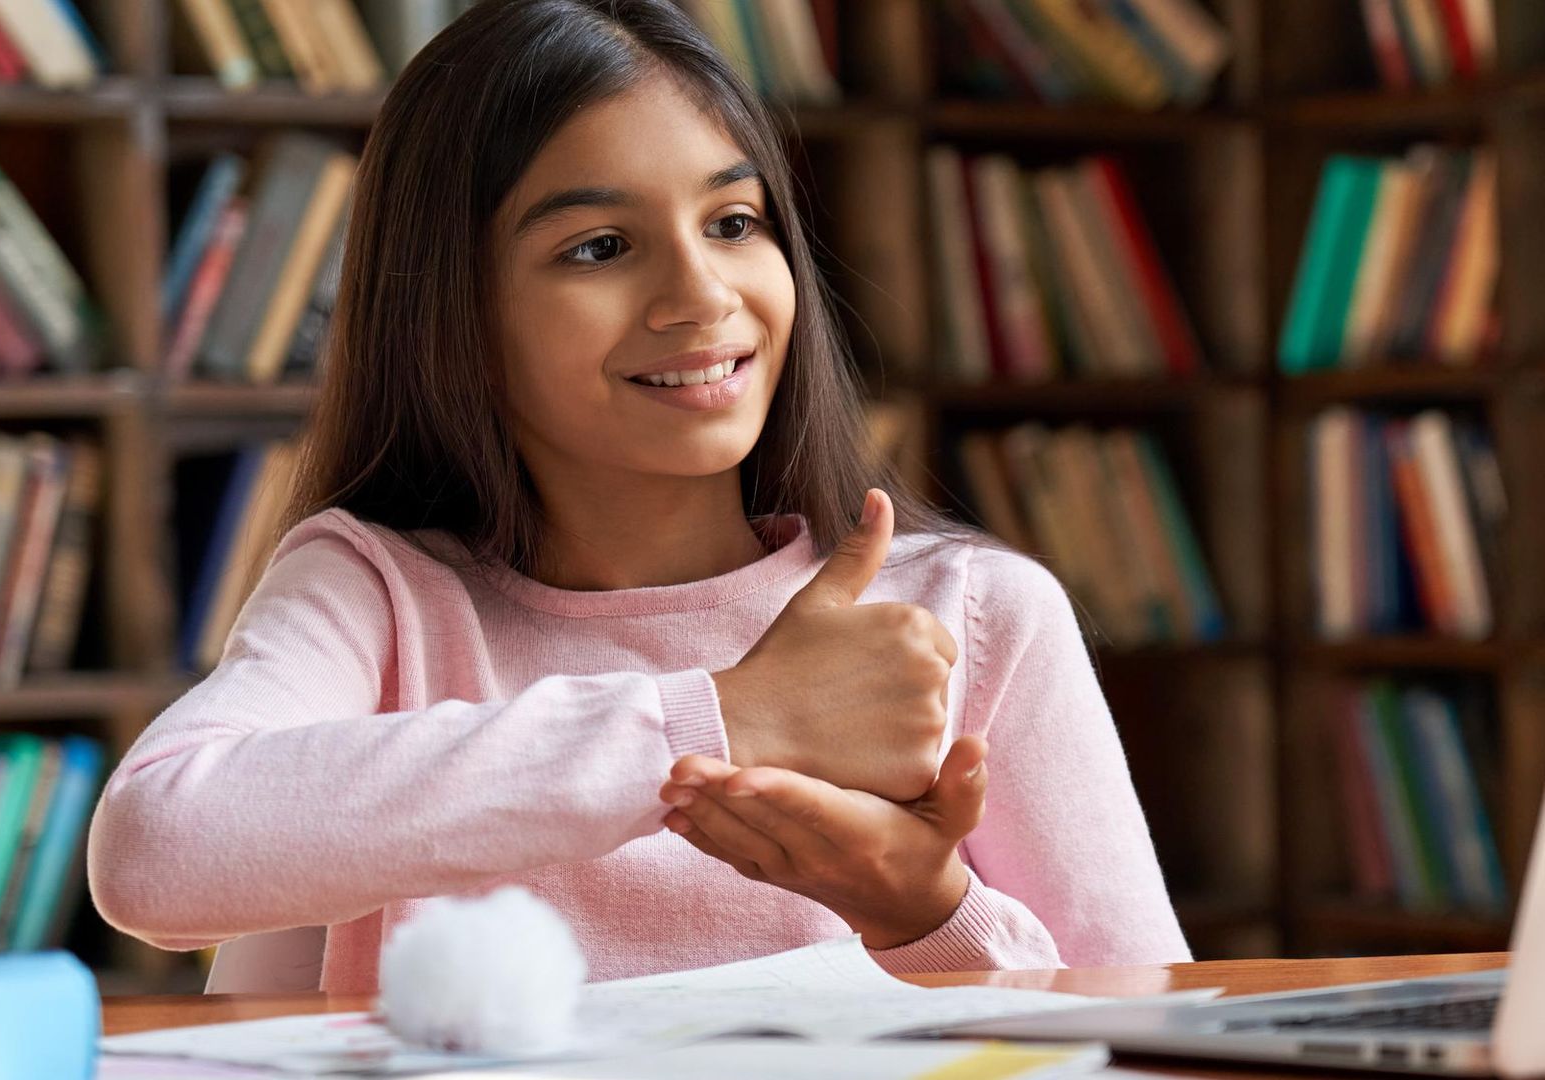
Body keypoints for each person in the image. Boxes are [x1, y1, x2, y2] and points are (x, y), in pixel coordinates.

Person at [88, 0, 1189, 994]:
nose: (701, 295)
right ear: (452, 315)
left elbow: (1151, 1038)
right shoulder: (379, 596)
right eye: (601, 246)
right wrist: (731, 715)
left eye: (733, 223)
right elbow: (156, 851)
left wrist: (925, 916)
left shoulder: (975, 615)